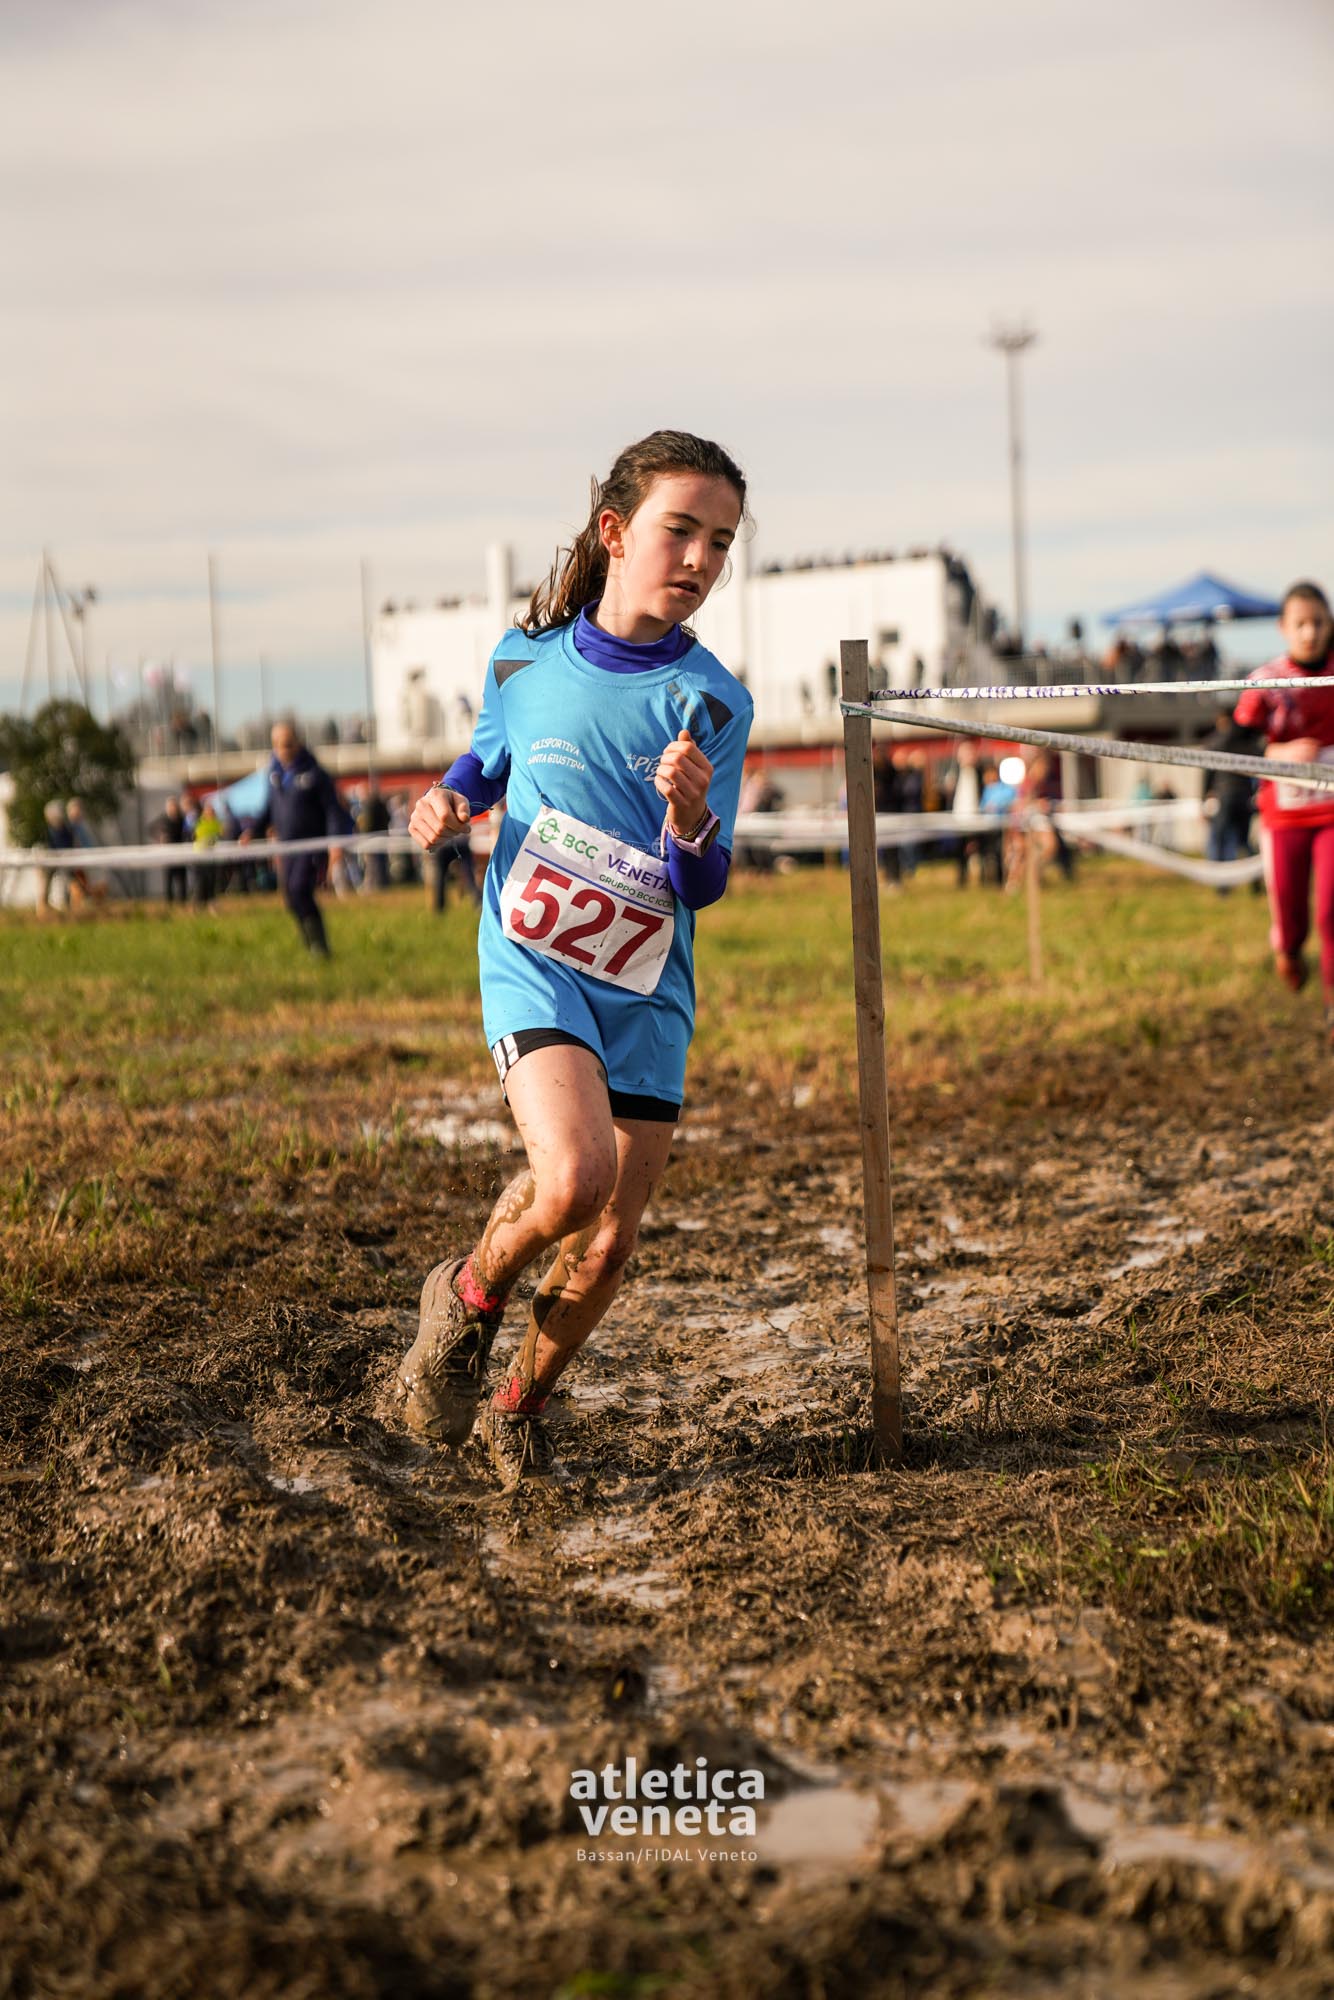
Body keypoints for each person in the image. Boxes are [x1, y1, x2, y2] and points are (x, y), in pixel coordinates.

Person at [397, 429, 754, 1486]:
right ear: (615, 532)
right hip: (537, 959)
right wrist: (448, 796)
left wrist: (688, 820)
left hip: (646, 987)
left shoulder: (714, 702)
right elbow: (484, 759)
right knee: (574, 1180)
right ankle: (466, 1297)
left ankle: (516, 1410)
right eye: (680, 531)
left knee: (606, 1247)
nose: (699, 560)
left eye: (720, 543)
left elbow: (704, 882)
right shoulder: (523, 659)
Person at [1232, 580, 1334, 1043]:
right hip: (1284, 817)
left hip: (1331, 815)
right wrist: (1277, 752)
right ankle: (1289, 951)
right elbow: (1232, 742)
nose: (1310, 633)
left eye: (1318, 622)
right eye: (1301, 623)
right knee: (1292, 914)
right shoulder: (1265, 682)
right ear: (1283, 628)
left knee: (1331, 912)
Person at [241, 720, 347, 957]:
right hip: (286, 847)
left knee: (300, 889)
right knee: (290, 897)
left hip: (310, 847)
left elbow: (333, 811)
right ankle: (310, 944)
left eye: (287, 744)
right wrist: (253, 831)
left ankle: (320, 947)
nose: (283, 749)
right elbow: (269, 809)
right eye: (277, 744)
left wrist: (335, 843)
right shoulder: (274, 775)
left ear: (297, 742)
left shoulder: (316, 775)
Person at [1200, 707, 1258, 886]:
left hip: (1224, 795)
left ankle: (1222, 884)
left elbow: (1207, 773)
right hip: (1245, 796)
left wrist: (1203, 798)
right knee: (1244, 841)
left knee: (1220, 839)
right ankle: (1255, 879)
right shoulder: (1247, 740)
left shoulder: (1215, 741)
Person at [150, 794, 190, 905]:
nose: (172, 808)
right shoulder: (163, 819)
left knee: (181, 879)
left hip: (181, 853)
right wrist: (160, 837)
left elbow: (188, 832)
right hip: (168, 854)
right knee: (168, 880)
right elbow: (151, 829)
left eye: (174, 806)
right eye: (170, 806)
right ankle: (169, 903)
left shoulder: (182, 819)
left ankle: (182, 902)